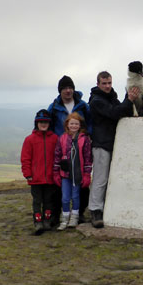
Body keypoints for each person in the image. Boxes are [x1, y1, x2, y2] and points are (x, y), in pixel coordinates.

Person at [87, 71, 137, 228]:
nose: (108, 86)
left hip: (113, 143)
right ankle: (95, 210)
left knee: (111, 178)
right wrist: (129, 100)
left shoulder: (111, 97)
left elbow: (123, 110)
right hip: (101, 143)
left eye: (109, 83)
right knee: (100, 179)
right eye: (104, 83)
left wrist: (128, 102)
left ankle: (106, 208)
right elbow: (115, 113)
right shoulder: (96, 101)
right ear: (98, 84)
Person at [47, 75, 92, 221]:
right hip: (61, 150)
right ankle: (57, 213)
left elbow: (90, 124)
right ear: (60, 90)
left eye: (70, 88)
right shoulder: (54, 107)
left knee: (82, 183)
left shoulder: (83, 105)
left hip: (80, 148)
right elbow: (49, 127)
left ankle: (79, 213)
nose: (68, 91)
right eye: (65, 88)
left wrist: (88, 137)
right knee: (60, 183)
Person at [21, 109, 60, 235]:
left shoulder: (55, 138)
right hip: (35, 178)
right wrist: (28, 174)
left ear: (49, 124)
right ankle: (38, 222)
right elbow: (25, 158)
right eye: (41, 122)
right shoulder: (29, 139)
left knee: (49, 200)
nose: (43, 124)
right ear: (36, 123)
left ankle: (47, 221)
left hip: (50, 177)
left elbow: (58, 156)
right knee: (37, 201)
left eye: (46, 122)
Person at [53, 113, 93, 230]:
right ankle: (64, 219)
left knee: (75, 196)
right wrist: (56, 172)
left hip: (78, 174)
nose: (74, 126)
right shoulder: (62, 138)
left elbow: (88, 158)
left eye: (76, 123)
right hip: (65, 174)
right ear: (67, 124)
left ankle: (74, 218)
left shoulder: (84, 139)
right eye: (72, 123)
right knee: (65, 198)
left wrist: (86, 174)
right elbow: (57, 155)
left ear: (80, 125)